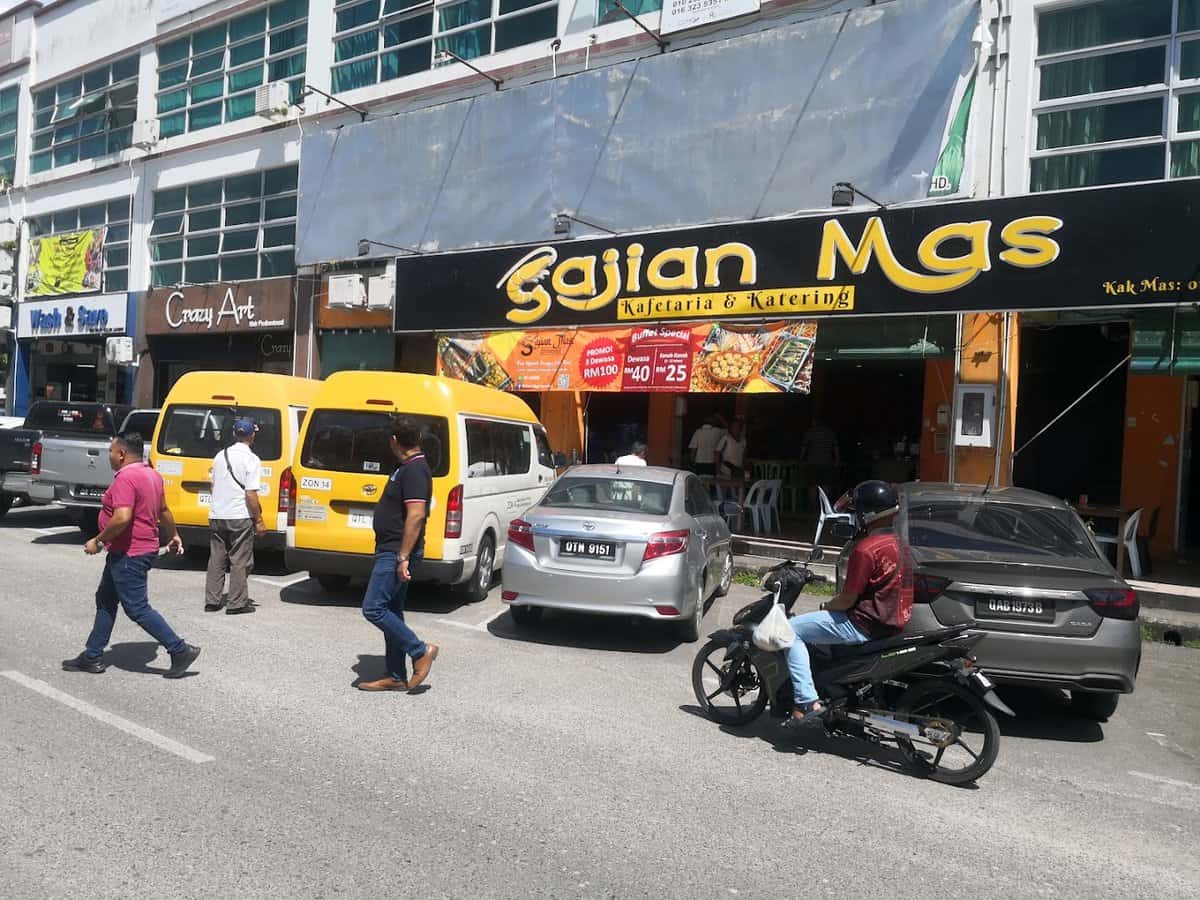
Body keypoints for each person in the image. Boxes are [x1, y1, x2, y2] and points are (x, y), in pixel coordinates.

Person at [62, 431, 201, 679]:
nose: (109, 456)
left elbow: (123, 517)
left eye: (111, 452)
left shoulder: (126, 478)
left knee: (137, 608)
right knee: (105, 599)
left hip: (130, 554)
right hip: (131, 551)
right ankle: (92, 655)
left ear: (122, 454)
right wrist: (173, 534)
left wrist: (99, 540)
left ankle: (179, 649)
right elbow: (164, 510)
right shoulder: (152, 475)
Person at [785, 480, 910, 721]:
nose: (856, 517)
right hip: (891, 621)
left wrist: (826, 605)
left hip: (862, 624)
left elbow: (846, 599)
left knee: (790, 631)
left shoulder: (867, 549)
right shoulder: (900, 545)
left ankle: (806, 700)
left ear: (869, 514)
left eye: (858, 512)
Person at [357, 417, 439, 693]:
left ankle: (420, 650)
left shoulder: (415, 470)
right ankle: (395, 675)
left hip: (396, 552)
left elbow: (415, 515)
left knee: (373, 608)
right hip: (390, 549)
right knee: (391, 610)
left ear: (394, 441)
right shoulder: (405, 467)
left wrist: (403, 557)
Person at [205, 417, 266, 615]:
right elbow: (250, 493)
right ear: (252, 435)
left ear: (234, 434)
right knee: (240, 560)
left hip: (217, 513)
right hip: (239, 515)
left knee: (216, 558)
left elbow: (213, 485)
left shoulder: (220, 455)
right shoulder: (252, 459)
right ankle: (236, 603)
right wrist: (258, 520)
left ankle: (212, 601)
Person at [800, 415, 840, 507]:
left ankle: (813, 506)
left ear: (815, 422)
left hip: (813, 462)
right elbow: (836, 448)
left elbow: (804, 447)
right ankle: (826, 505)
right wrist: (837, 460)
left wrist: (801, 459)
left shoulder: (810, 432)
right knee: (826, 485)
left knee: (813, 485)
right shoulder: (830, 432)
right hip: (827, 462)